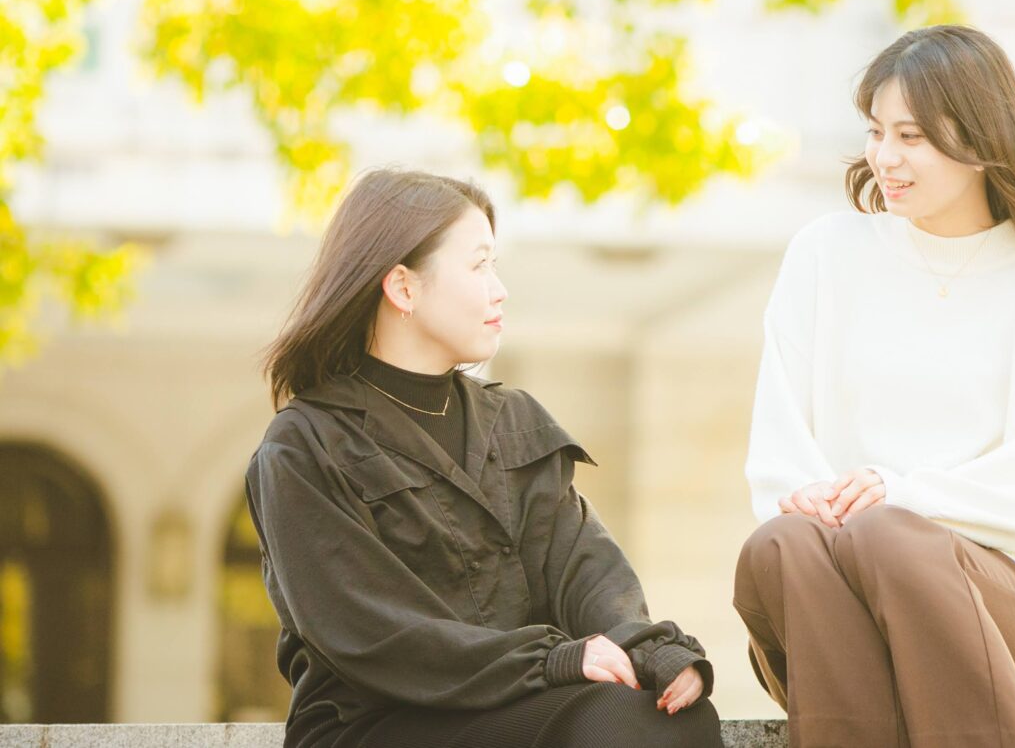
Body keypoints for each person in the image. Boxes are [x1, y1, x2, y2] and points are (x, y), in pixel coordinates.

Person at [245, 168, 718, 748]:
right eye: (479, 265)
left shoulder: (513, 420)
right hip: (375, 724)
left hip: (516, 706)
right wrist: (552, 661)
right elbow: (371, 632)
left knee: (673, 713)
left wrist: (650, 650)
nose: (500, 289)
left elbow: (583, 567)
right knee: (612, 720)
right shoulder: (305, 445)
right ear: (403, 287)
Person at [737, 24, 1015, 748]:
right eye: (877, 131)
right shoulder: (824, 255)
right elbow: (779, 445)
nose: (884, 157)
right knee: (778, 545)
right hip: (829, 596)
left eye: (912, 136)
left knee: (890, 535)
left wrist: (896, 494)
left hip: (990, 612)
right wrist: (829, 502)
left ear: (978, 138)